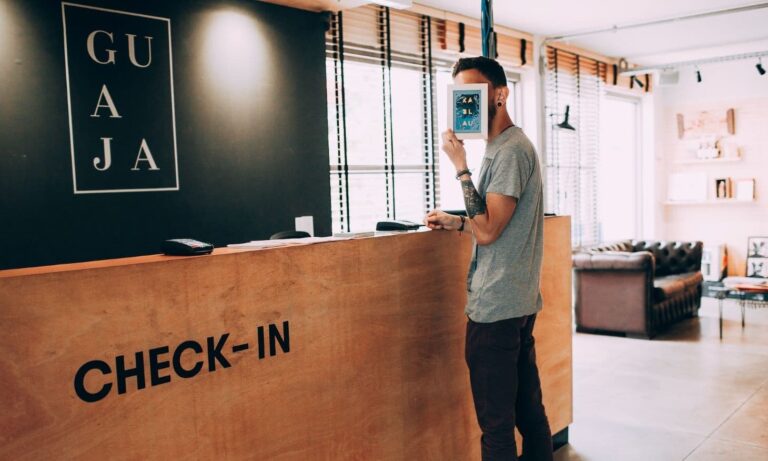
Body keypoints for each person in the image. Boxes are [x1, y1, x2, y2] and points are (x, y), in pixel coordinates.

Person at [424, 56, 552, 461]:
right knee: (528, 413)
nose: (468, 104)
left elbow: (491, 230)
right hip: (514, 303)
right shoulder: (503, 147)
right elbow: (491, 226)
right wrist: (457, 223)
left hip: (496, 309)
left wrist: (460, 167)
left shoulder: (510, 151)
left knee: (496, 426)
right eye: (463, 96)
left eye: (475, 93)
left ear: (500, 94)